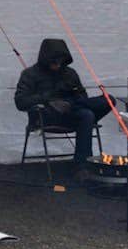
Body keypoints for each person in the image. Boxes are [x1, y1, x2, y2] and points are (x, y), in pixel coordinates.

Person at [15, 38, 112, 174]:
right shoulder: (30, 74)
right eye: (54, 61)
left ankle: (72, 104)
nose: (58, 65)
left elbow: (83, 96)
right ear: (45, 59)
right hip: (47, 115)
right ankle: (82, 166)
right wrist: (48, 96)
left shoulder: (69, 73)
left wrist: (71, 96)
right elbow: (20, 102)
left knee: (107, 101)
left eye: (61, 61)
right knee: (87, 115)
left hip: (72, 111)